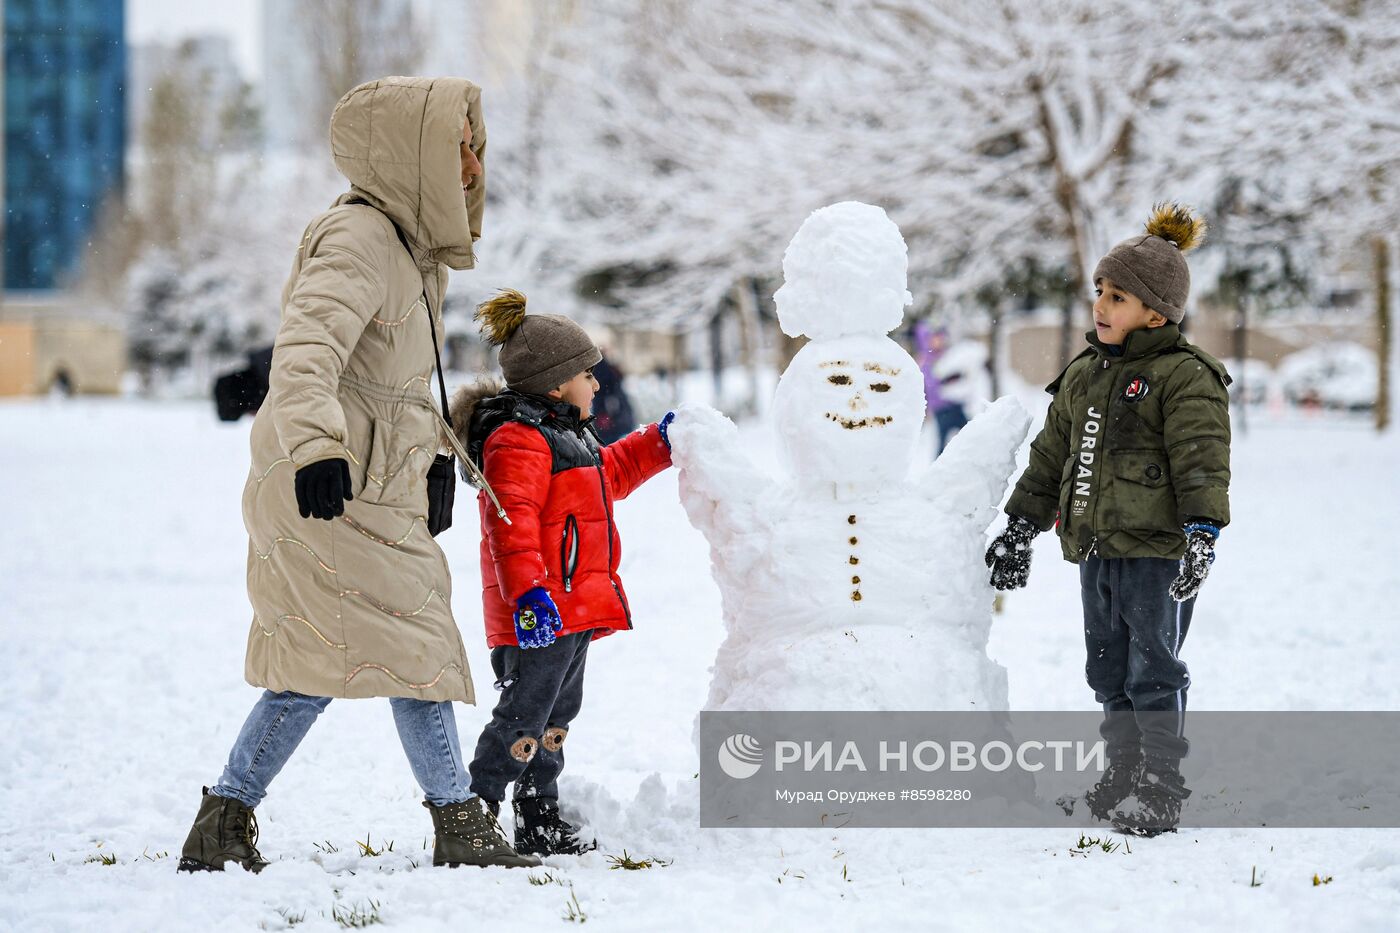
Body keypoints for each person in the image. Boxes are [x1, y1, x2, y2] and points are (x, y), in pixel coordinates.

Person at [178, 76, 542, 873]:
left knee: (358, 654)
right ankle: (458, 824)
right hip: (329, 484)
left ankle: (227, 820)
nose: (473, 167)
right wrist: (315, 449)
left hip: (373, 484)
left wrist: (436, 462)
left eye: (475, 149)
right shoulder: (358, 240)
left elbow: (391, 385)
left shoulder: (406, 250)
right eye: (458, 148)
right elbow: (307, 353)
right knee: (396, 648)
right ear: (409, 156)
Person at [984, 203, 1232, 837]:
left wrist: (1202, 533)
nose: (1101, 305)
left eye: (1117, 296)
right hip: (1094, 548)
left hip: (1156, 552)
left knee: (1154, 668)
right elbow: (1050, 459)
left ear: (1157, 312)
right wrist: (1021, 528)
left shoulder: (1183, 377)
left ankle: (1161, 786)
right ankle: (1121, 773)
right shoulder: (1085, 374)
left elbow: (1201, 460)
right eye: (1100, 290)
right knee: (1107, 667)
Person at [448, 289, 674, 856]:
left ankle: (538, 817)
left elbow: (610, 475)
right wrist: (528, 596)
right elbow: (511, 525)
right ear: (555, 382)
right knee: (522, 718)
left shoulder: (568, 435)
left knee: (555, 716)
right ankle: (475, 814)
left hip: (570, 608)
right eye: (587, 374)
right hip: (538, 612)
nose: (597, 385)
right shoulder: (517, 439)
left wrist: (657, 443)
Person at [911, 321, 969, 455]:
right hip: (940, 408)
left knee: (969, 433)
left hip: (955, 404)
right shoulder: (926, 360)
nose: (939, 341)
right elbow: (929, 386)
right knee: (942, 443)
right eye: (935, 338)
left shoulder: (946, 355)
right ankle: (938, 470)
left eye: (941, 338)